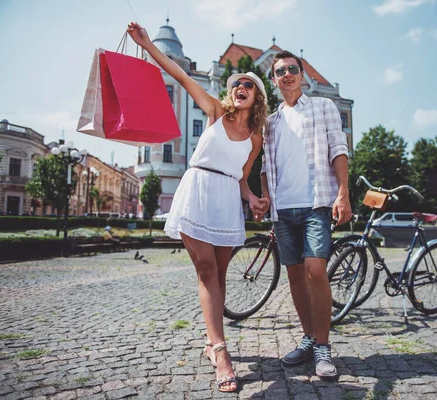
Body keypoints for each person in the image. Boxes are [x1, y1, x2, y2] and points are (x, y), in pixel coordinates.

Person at [127, 22, 270, 393]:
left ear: (257, 97)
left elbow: (242, 177)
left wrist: (252, 197)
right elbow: (178, 72)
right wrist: (146, 46)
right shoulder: (213, 112)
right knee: (206, 268)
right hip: (197, 190)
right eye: (237, 83)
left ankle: (210, 340)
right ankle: (222, 353)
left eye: (249, 85)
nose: (241, 88)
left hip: (226, 199)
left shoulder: (255, 139)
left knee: (220, 275)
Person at [259, 51, 352, 380]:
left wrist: (343, 193)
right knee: (295, 275)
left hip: (316, 203)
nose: (286, 74)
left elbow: (338, 148)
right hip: (283, 209)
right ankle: (309, 338)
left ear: (302, 76)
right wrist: (265, 198)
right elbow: (265, 168)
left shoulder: (323, 107)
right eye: (280, 71)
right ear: (274, 80)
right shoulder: (270, 122)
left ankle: (324, 348)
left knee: (315, 269)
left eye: (292, 69)